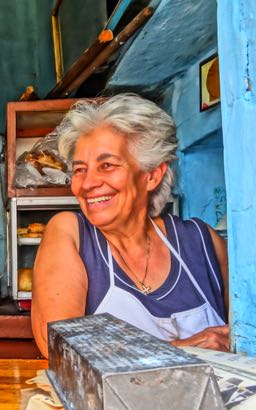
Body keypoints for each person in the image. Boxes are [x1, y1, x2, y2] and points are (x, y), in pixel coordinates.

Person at [32, 93, 229, 358]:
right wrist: (183, 349)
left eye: (107, 165)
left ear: (151, 175)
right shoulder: (71, 234)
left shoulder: (202, 243)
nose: (87, 183)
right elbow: (60, 348)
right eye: (80, 170)